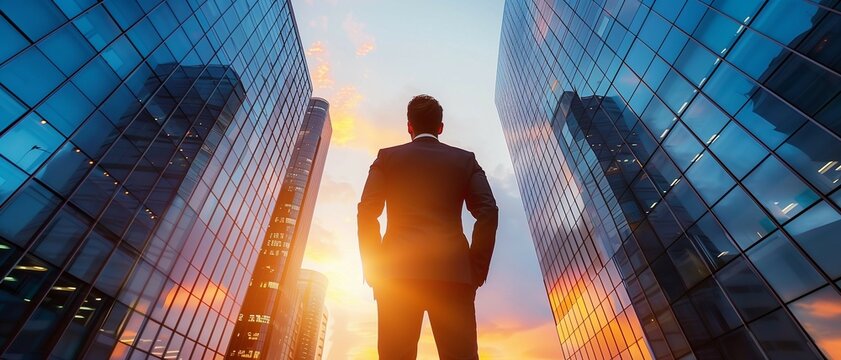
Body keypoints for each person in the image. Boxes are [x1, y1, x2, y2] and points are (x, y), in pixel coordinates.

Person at [357, 94, 499, 359]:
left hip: (396, 277)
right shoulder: (466, 161)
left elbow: (367, 212)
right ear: (440, 127)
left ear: (409, 126)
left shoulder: (386, 159)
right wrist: (475, 269)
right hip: (454, 276)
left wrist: (374, 267)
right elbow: (488, 211)